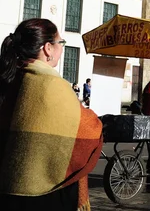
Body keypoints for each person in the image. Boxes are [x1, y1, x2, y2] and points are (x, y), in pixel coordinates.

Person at [0, 19, 103, 210]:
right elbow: (88, 130)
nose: (62, 49)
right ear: (48, 48)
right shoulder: (51, 85)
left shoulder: (11, 78)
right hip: (43, 194)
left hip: (7, 189)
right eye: (61, 43)